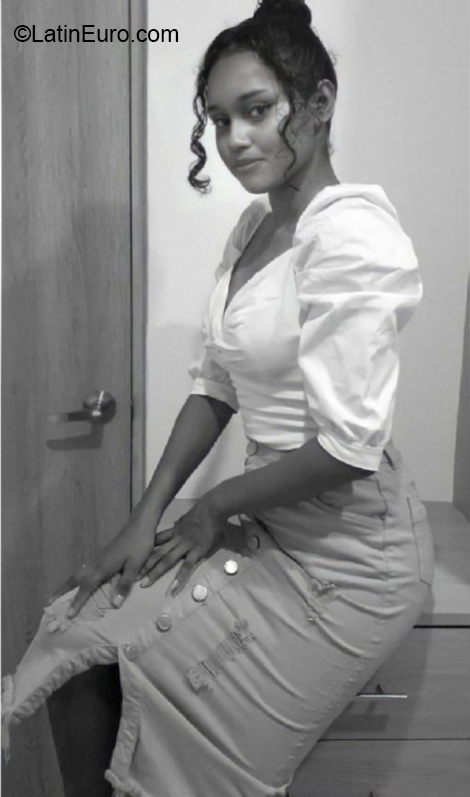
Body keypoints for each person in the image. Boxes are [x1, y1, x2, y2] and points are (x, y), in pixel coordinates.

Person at [2, 1, 435, 796]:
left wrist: (211, 506)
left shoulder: (352, 237)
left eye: (257, 110)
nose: (234, 138)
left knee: (191, 749)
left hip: (351, 555)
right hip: (269, 516)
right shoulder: (252, 229)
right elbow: (216, 385)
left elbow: (348, 447)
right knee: (79, 639)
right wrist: (145, 515)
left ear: (320, 103)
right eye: (220, 117)